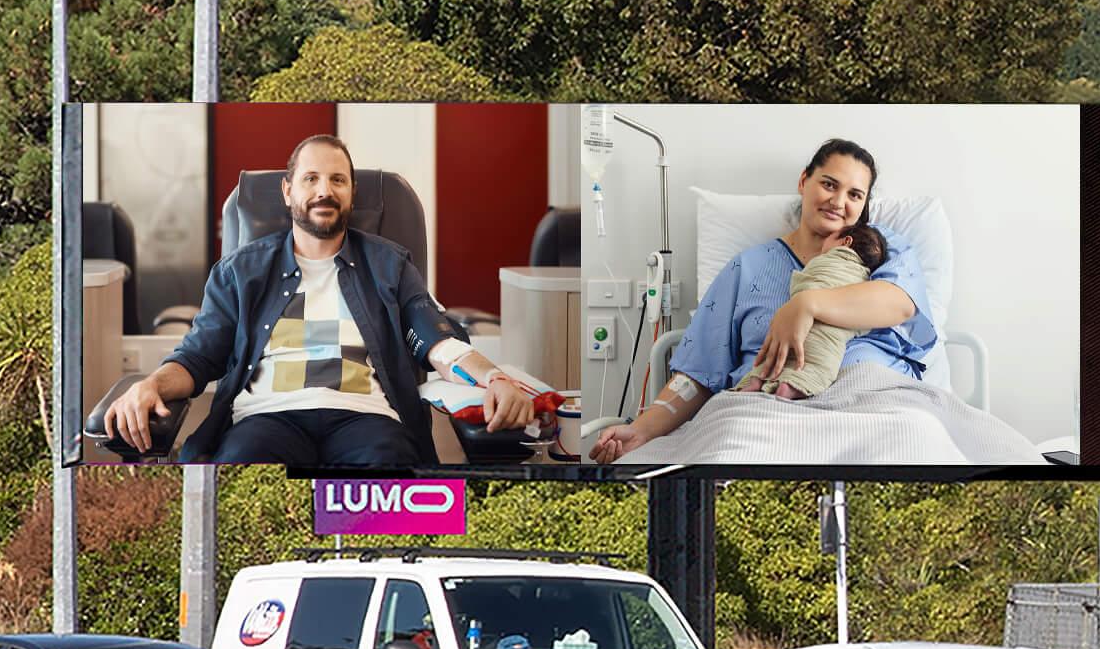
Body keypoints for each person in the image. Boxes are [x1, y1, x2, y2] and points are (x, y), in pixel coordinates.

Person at [105, 134, 537, 466]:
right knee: (242, 464)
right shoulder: (241, 271)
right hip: (266, 418)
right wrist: (149, 385)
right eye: (310, 178)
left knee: (389, 464)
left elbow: (438, 341)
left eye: (337, 180)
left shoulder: (389, 265)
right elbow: (198, 357)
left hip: (366, 419)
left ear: (351, 193)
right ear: (287, 191)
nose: (323, 191)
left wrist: (496, 379)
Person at [590, 139, 934, 463]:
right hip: (763, 407)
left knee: (909, 443)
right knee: (733, 451)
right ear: (804, 181)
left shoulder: (877, 249)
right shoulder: (749, 267)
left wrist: (806, 304)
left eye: (855, 194)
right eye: (829, 184)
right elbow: (698, 373)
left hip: (871, 398)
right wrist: (640, 430)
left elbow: (899, 303)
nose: (839, 201)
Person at [733, 222, 891, 399]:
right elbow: (865, 317)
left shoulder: (820, 263)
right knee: (816, 368)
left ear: (845, 241)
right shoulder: (865, 282)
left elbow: (804, 282)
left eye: (830, 237)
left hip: (790, 330)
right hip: (825, 340)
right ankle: (788, 388)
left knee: (772, 361)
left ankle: (756, 381)